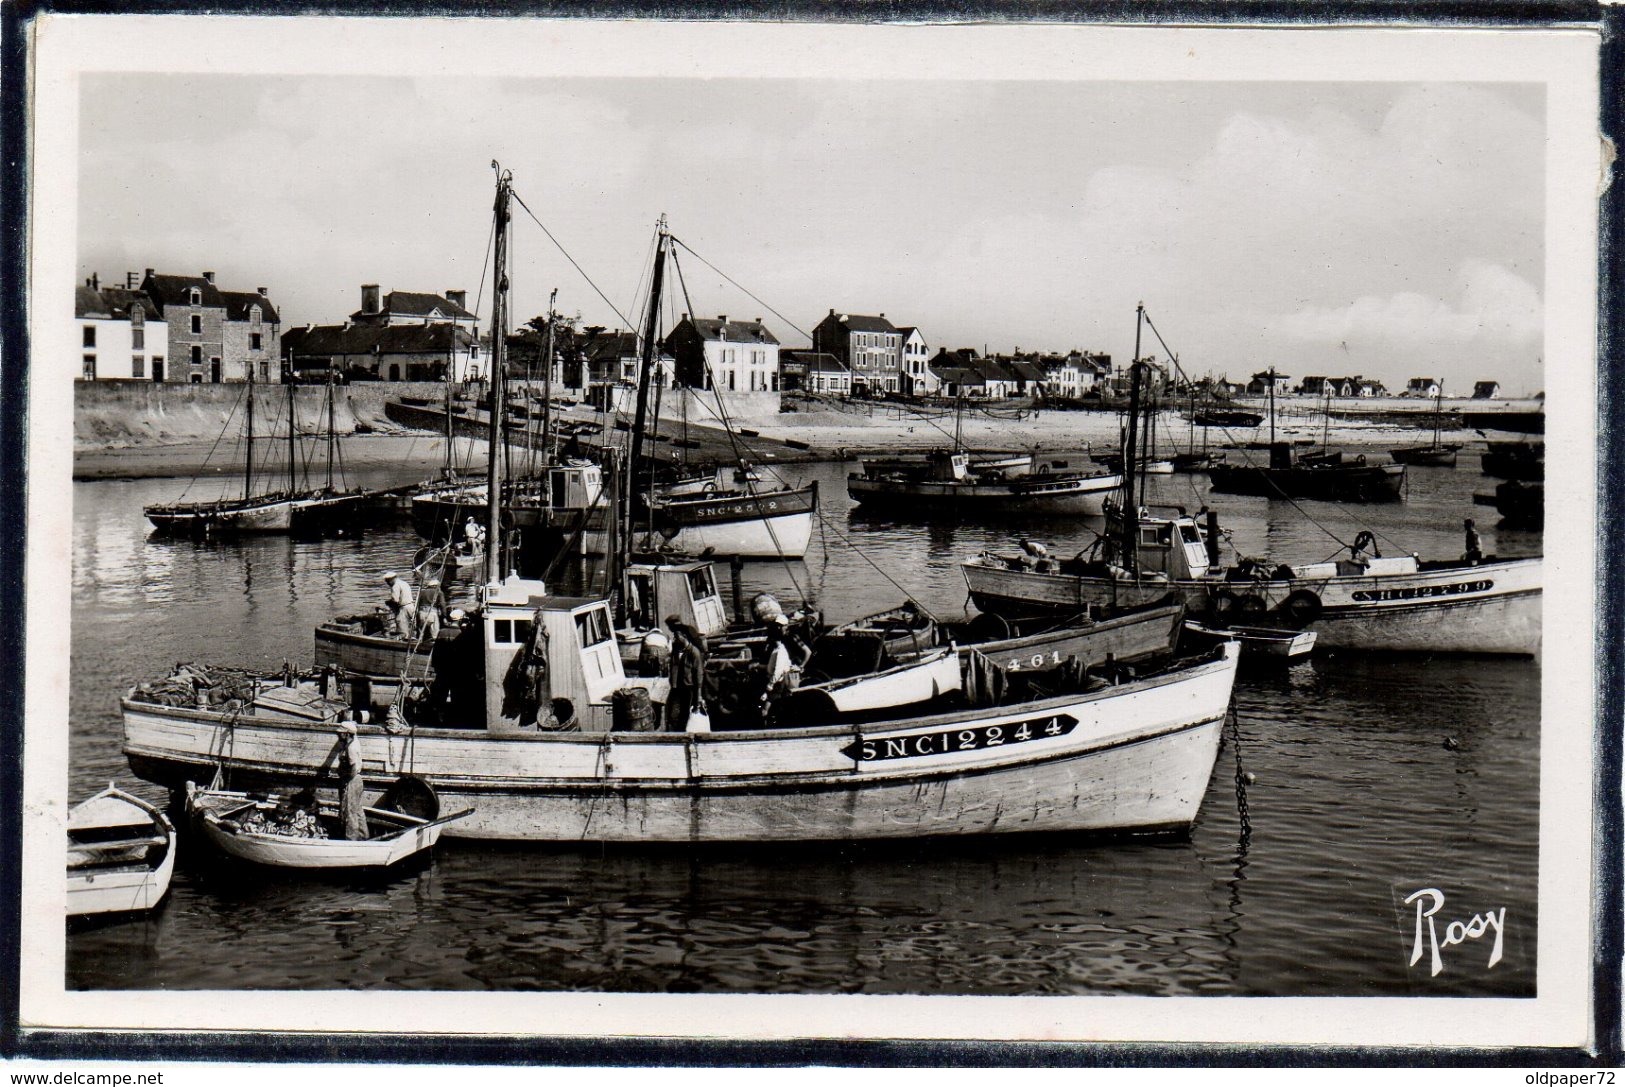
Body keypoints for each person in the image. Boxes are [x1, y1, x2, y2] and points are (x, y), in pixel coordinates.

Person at [665, 614, 707, 731]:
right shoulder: (676, 649)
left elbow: (698, 675)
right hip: (676, 687)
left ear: (684, 636)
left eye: (677, 636)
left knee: (687, 715)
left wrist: (698, 696)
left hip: (689, 689)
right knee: (673, 716)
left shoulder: (694, 652)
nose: (675, 638)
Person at [334, 719, 368, 842]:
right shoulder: (353, 741)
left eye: (340, 733)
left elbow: (353, 767)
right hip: (357, 780)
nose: (338, 735)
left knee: (350, 812)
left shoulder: (351, 748)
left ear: (347, 733)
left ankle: (351, 840)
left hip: (352, 780)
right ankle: (364, 836)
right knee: (357, 809)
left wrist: (346, 782)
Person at [383, 572, 415, 639]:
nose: (388, 584)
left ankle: (403, 642)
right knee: (411, 626)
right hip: (411, 606)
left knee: (402, 629)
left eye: (387, 581)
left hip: (404, 608)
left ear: (391, 579)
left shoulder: (395, 586)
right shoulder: (404, 583)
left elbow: (395, 600)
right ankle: (412, 638)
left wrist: (388, 602)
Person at [416, 577, 445, 643]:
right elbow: (442, 604)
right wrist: (444, 616)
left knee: (421, 634)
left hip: (421, 613)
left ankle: (419, 646)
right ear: (436, 586)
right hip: (432, 613)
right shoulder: (439, 592)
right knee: (435, 634)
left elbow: (418, 604)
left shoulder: (422, 592)